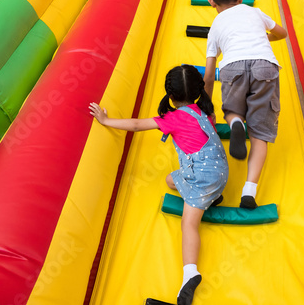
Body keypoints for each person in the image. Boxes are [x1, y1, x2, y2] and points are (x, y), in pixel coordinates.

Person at [89, 65, 228, 305]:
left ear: (170, 95)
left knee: (189, 225)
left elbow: (135, 125)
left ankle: (190, 274)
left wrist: (106, 119)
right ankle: (213, 196)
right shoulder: (204, 110)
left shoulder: (172, 118)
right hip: (221, 173)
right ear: (198, 91)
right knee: (170, 180)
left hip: (203, 179)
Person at [204, 0, 287, 209]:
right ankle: (249, 191)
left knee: (232, 109)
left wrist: (207, 104)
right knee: (260, 134)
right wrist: (264, 38)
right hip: (265, 66)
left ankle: (235, 123)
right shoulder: (254, 11)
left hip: (233, 67)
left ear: (210, 1)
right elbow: (282, 33)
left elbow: (209, 74)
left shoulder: (216, 25)